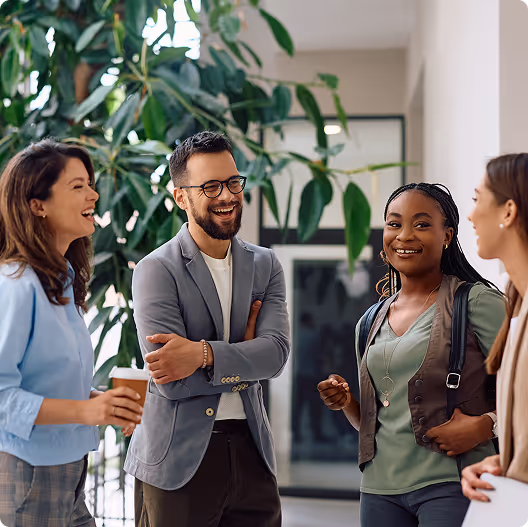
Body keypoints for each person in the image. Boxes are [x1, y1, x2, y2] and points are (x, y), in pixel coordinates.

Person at [124, 131, 290, 527]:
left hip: (252, 455)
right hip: (177, 462)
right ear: (181, 197)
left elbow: (277, 353)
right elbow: (170, 382)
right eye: (211, 186)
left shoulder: (265, 265)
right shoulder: (156, 269)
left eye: (233, 182)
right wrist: (243, 362)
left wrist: (202, 355)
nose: (228, 196)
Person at [318, 183, 505, 527]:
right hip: (378, 489)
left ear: (447, 235)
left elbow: (523, 386)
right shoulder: (369, 321)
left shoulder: (475, 302)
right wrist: (346, 402)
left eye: (421, 224)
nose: (404, 235)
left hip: (453, 483)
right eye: (394, 223)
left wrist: (485, 426)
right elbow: (376, 423)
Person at [0, 139, 144, 527]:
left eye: (90, 184)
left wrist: (104, 404)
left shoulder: (62, 281)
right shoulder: (16, 285)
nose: (93, 194)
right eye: (77, 186)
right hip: (30, 475)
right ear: (37, 204)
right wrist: (86, 410)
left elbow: (47, 384)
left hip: (71, 471)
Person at [462, 154, 528, 501]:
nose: (470, 216)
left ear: (508, 211)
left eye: (477, 199)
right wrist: (504, 462)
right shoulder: (515, 303)